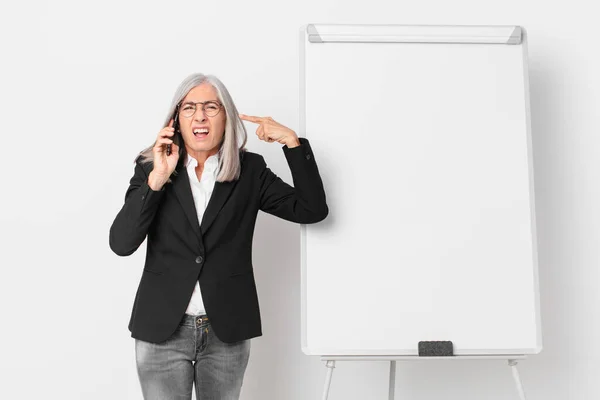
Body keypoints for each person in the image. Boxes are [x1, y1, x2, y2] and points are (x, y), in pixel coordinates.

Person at [108, 72, 328, 400]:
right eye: (189, 108)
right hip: (161, 330)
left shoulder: (249, 170)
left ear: (226, 117)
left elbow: (311, 210)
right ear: (175, 120)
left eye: (211, 106)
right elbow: (121, 243)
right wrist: (156, 180)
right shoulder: (150, 168)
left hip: (226, 330)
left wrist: (292, 144)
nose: (200, 116)